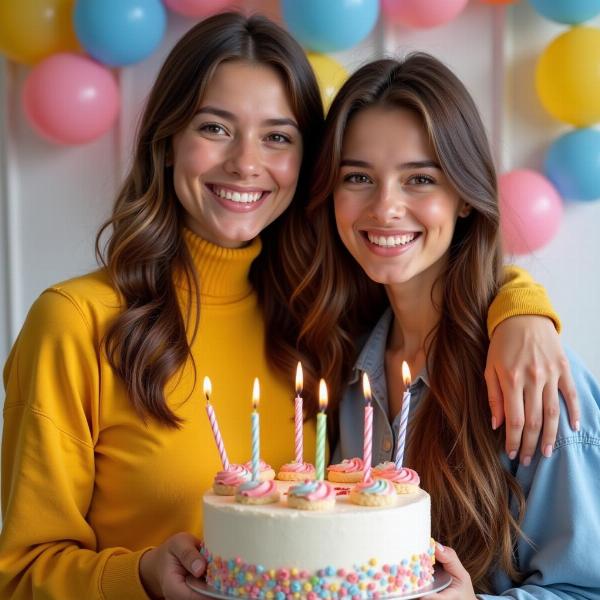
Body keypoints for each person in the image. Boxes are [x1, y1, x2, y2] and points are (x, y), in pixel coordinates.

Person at [0, 12, 578, 600]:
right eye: (214, 128)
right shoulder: (76, 322)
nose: (246, 163)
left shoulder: (319, 316)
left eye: (277, 136)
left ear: (305, 164)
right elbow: (21, 575)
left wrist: (520, 307)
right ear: (166, 142)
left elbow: (434, 269)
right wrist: (142, 575)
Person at [299, 53, 600, 597]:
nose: (385, 207)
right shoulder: (341, 364)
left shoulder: (532, 377)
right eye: (359, 176)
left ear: (463, 196)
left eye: (419, 179)